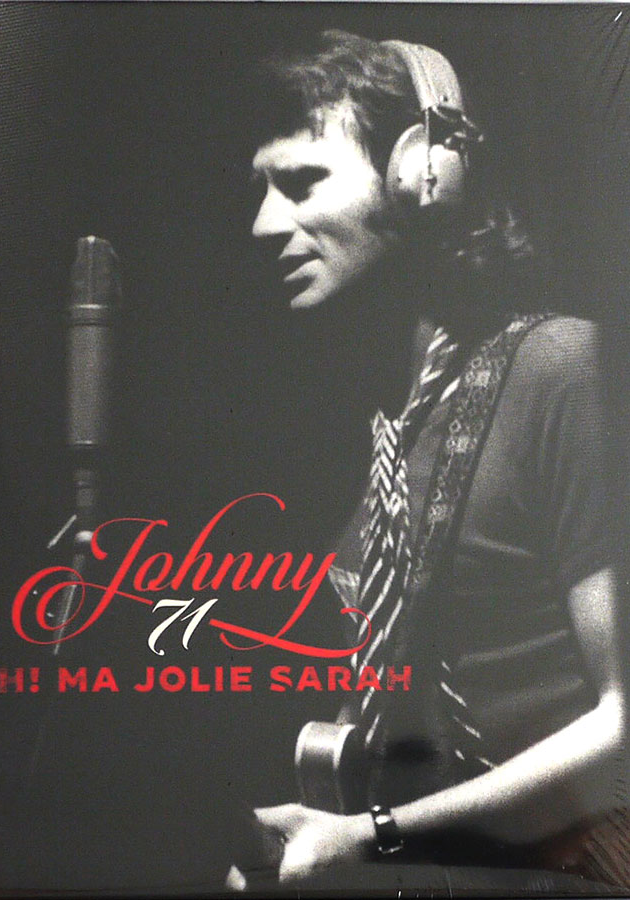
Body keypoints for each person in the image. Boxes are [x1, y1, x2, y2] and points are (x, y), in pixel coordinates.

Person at [227, 29, 628, 891]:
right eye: (258, 190)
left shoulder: (561, 370)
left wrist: (372, 836)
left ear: (422, 179)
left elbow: (623, 725)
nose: (263, 224)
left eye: (301, 182)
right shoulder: (374, 423)